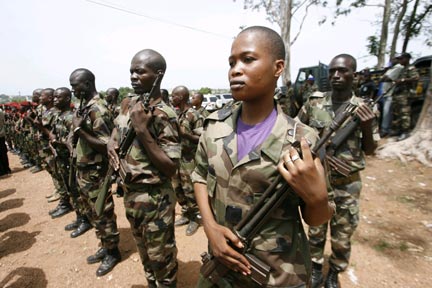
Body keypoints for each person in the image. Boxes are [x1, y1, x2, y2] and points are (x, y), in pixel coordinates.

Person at [192, 26, 333, 287]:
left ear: (278, 67)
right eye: (232, 62)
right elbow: (199, 175)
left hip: (277, 274)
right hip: (220, 267)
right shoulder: (214, 127)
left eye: (248, 59)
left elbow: (316, 218)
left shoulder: (303, 140)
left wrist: (317, 197)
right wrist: (209, 227)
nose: (235, 69)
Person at [296, 54, 379, 288]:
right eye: (332, 71)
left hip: (348, 183)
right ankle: (314, 267)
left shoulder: (363, 109)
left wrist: (367, 126)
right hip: (318, 182)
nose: (336, 76)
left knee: (343, 233)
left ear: (354, 74)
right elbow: (294, 130)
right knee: (316, 229)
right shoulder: (315, 103)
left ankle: (334, 270)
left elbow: (370, 150)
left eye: (342, 71)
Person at [107, 49, 180, 287]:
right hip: (131, 193)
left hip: (155, 198)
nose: (133, 76)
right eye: (131, 71)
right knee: (144, 251)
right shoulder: (129, 104)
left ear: (158, 75)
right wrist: (111, 143)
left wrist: (142, 131)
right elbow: (116, 131)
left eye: (140, 71)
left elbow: (171, 168)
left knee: (161, 257)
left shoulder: (163, 114)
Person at [70, 68, 120, 277]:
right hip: (85, 169)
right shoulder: (85, 106)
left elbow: (107, 145)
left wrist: (80, 131)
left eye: (76, 85)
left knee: (102, 212)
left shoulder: (97, 109)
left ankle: (113, 252)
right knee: (93, 212)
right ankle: (105, 245)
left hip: (96, 171)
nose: (73, 89)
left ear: (88, 84)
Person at [171, 85, 203, 236]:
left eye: (174, 96)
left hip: (190, 159)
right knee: (178, 189)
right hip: (177, 159)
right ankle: (186, 213)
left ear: (181, 97)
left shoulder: (194, 115)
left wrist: (186, 135)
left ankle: (195, 218)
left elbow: (203, 139)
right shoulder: (177, 114)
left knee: (190, 190)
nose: (171, 99)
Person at [47, 87, 75, 219]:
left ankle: (82, 217)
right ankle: (66, 204)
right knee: (65, 184)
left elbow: (73, 141)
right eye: (54, 97)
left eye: (58, 97)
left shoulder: (70, 117)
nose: (55, 100)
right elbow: (52, 132)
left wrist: (57, 141)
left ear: (68, 99)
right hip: (60, 157)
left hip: (69, 159)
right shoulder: (59, 115)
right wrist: (52, 142)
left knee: (74, 188)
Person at [391, 52, 419, 141]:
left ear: (407, 59)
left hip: (406, 95)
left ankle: (405, 132)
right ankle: (399, 130)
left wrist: (402, 80)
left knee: (404, 113)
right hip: (400, 95)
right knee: (398, 113)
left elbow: (416, 78)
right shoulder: (403, 69)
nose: (399, 60)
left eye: (401, 58)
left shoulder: (411, 68)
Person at [378, 57, 403, 138]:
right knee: (387, 113)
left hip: (390, 94)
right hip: (385, 93)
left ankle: (384, 130)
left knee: (386, 112)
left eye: (393, 60)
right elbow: (382, 78)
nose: (391, 61)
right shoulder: (390, 69)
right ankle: (387, 129)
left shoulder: (398, 67)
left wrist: (383, 78)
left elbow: (386, 78)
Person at [0, 108, 12, 176]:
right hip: (1, 134)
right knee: (3, 153)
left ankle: (3, 170)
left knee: (2, 153)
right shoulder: (1, 111)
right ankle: (6, 169)